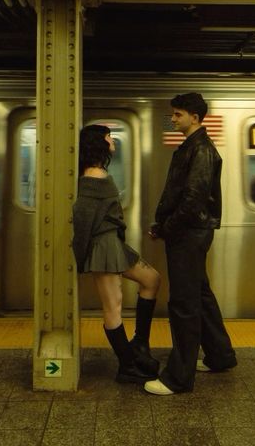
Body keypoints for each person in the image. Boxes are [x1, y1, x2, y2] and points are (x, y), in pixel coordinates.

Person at [145, 93, 237, 395]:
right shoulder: (193, 147)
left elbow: (192, 199)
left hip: (188, 233)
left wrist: (168, 228)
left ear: (195, 117)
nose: (173, 119)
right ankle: (220, 356)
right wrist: (163, 225)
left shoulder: (201, 150)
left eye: (178, 114)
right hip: (188, 230)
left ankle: (178, 378)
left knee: (184, 303)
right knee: (200, 294)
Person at [72, 124, 161, 384]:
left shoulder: (98, 173)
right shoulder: (93, 177)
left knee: (152, 279)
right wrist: (81, 258)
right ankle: (127, 365)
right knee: (113, 307)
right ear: (99, 143)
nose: (113, 141)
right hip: (104, 246)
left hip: (114, 244)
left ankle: (139, 343)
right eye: (109, 137)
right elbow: (83, 217)